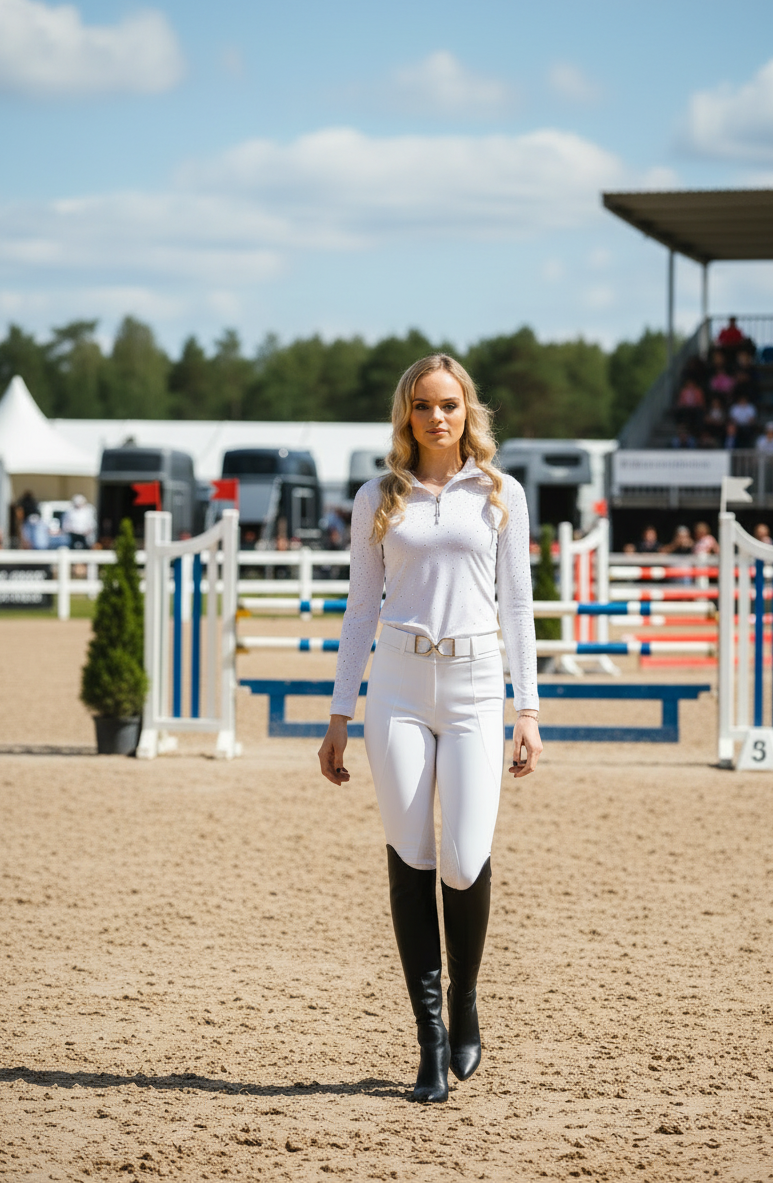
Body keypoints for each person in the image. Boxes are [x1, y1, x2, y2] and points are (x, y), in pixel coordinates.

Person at [317, 354, 540, 1104]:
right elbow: (360, 609)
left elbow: (517, 606)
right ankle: (430, 1038)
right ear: (405, 414)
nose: (436, 417)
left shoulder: (501, 494)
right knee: (411, 854)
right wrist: (339, 713)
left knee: (465, 859)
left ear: (467, 409)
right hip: (399, 688)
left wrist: (528, 709)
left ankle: (465, 996)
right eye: (422, 405)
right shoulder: (377, 497)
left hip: (476, 688)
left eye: (448, 404)